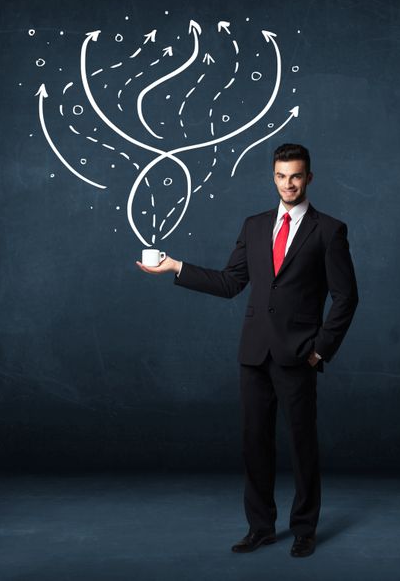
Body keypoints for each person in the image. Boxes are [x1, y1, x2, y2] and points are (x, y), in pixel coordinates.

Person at [136, 143, 358, 558]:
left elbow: (346, 298)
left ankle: (305, 529)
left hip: (299, 354)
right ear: (272, 177)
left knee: (302, 445)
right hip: (254, 354)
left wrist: (320, 350)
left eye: (295, 176)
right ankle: (261, 528)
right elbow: (230, 283)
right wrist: (174, 267)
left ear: (308, 178)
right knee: (254, 444)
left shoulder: (329, 230)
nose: (288, 183)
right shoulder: (254, 225)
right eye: (280, 176)